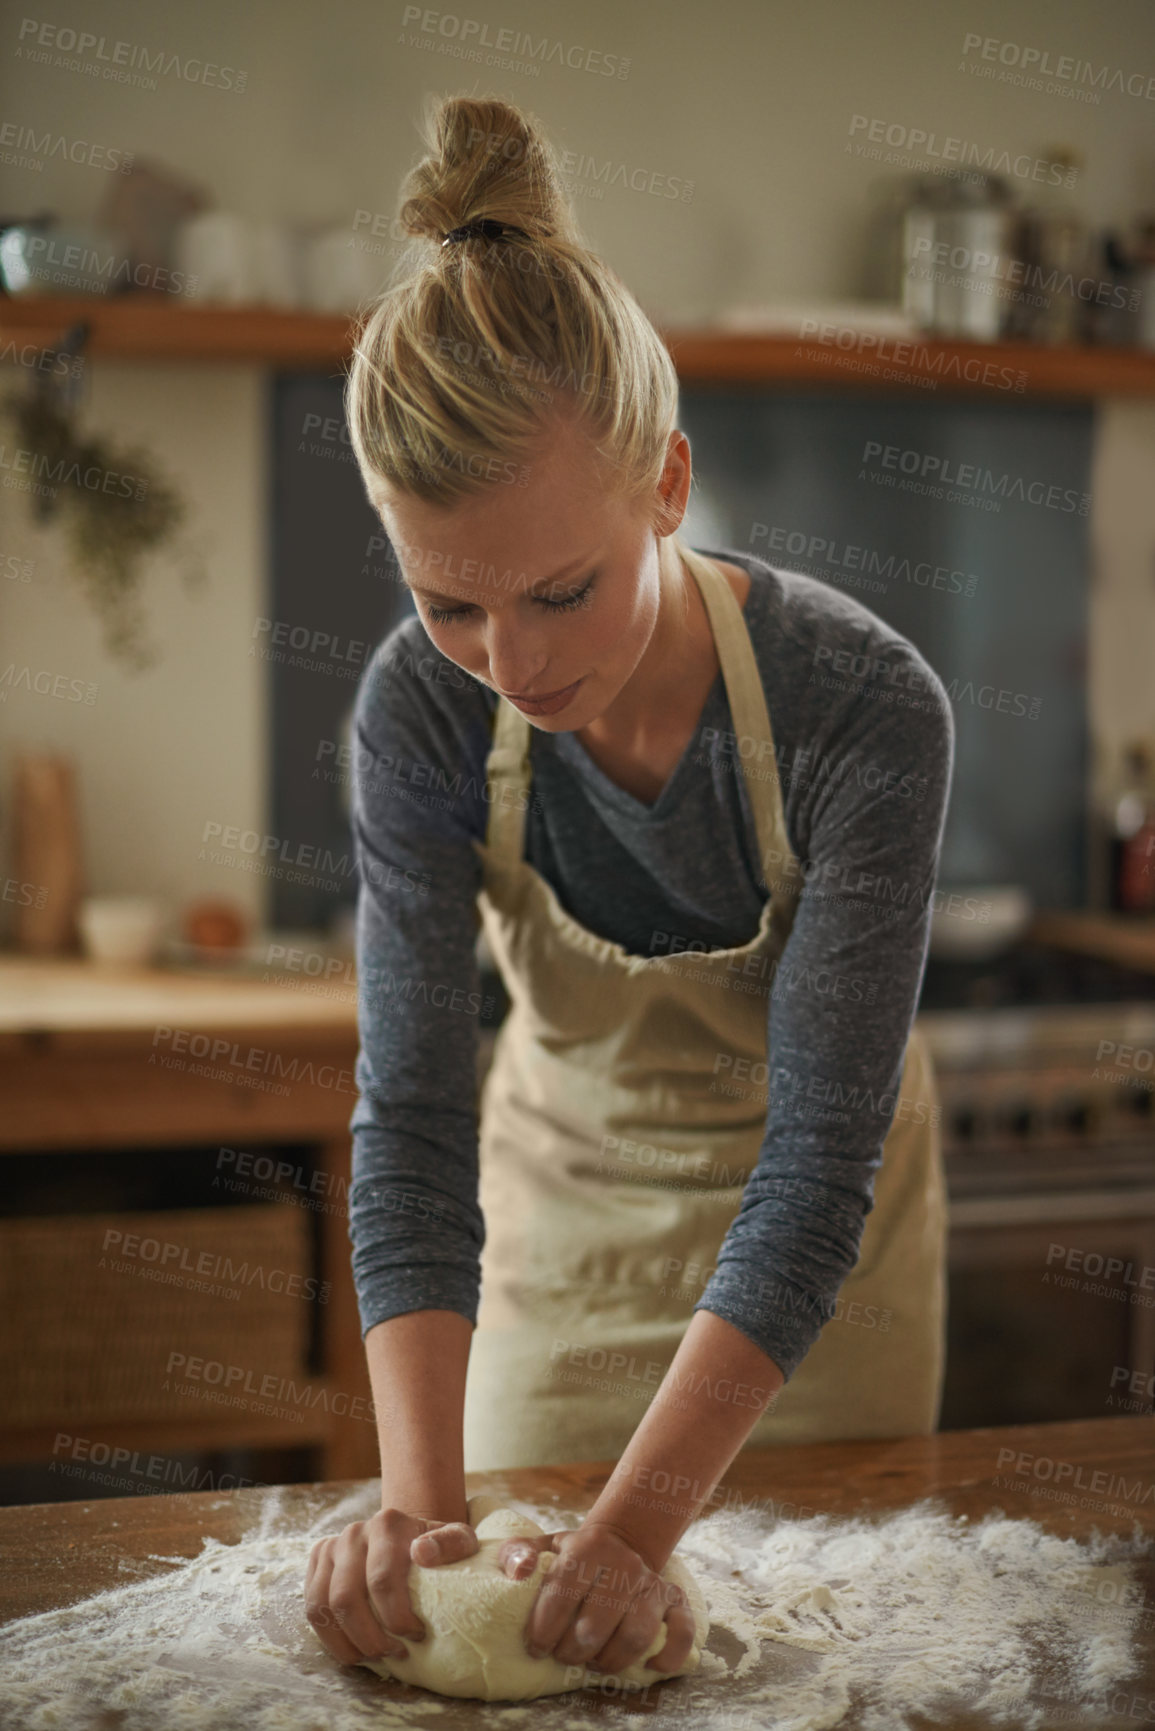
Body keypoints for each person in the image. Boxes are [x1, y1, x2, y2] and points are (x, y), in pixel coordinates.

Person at [306, 92, 954, 1687]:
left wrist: (635, 1534)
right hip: (562, 1253)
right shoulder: (417, 708)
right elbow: (414, 1122)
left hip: (820, 1309)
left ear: (667, 486)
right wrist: (417, 1517)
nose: (511, 665)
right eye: (449, 602)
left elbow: (815, 1170)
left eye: (561, 591)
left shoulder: (861, 712)